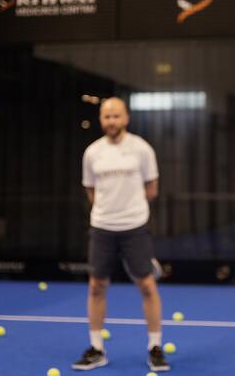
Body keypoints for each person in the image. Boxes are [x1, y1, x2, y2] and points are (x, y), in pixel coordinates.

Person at [73, 97, 170, 372]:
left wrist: (128, 211)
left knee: (147, 286)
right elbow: (91, 192)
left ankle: (155, 347)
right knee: (96, 286)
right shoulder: (92, 152)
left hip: (135, 228)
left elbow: (151, 189)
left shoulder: (142, 149)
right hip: (102, 228)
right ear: (101, 120)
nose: (111, 121)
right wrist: (109, 212)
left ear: (126, 118)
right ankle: (96, 349)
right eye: (107, 116)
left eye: (116, 116)